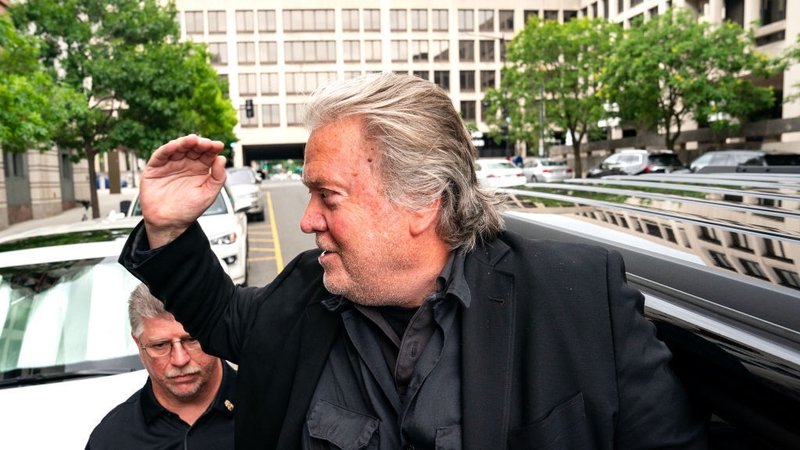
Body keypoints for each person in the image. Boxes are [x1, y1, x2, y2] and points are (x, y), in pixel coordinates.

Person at [120, 73, 707, 449]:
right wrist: (168, 227)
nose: (307, 221)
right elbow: (220, 315)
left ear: (423, 202)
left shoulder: (576, 296)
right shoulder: (305, 295)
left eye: (329, 197)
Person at [86, 284, 236, 450]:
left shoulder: (266, 410)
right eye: (160, 345)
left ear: (216, 332)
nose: (180, 360)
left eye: (192, 340)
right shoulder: (111, 439)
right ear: (138, 344)